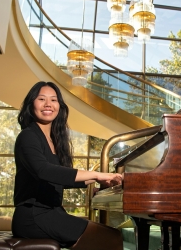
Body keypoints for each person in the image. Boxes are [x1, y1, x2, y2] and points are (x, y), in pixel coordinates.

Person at [12, 81, 124, 249]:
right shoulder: (28, 136)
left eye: (54, 100)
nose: (48, 104)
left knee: (109, 235)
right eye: (41, 99)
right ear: (31, 104)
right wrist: (97, 174)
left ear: (60, 106)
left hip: (50, 213)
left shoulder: (54, 140)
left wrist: (96, 181)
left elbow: (60, 178)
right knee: (108, 238)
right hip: (32, 216)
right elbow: (44, 171)